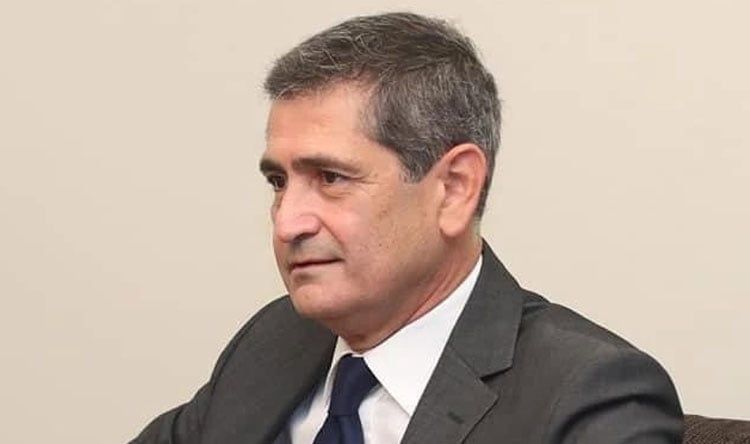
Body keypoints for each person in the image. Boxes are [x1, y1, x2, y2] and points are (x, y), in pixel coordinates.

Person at [131, 12, 683, 444]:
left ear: (455, 188)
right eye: (279, 181)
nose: (288, 222)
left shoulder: (588, 396)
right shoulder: (273, 343)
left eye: (331, 178)